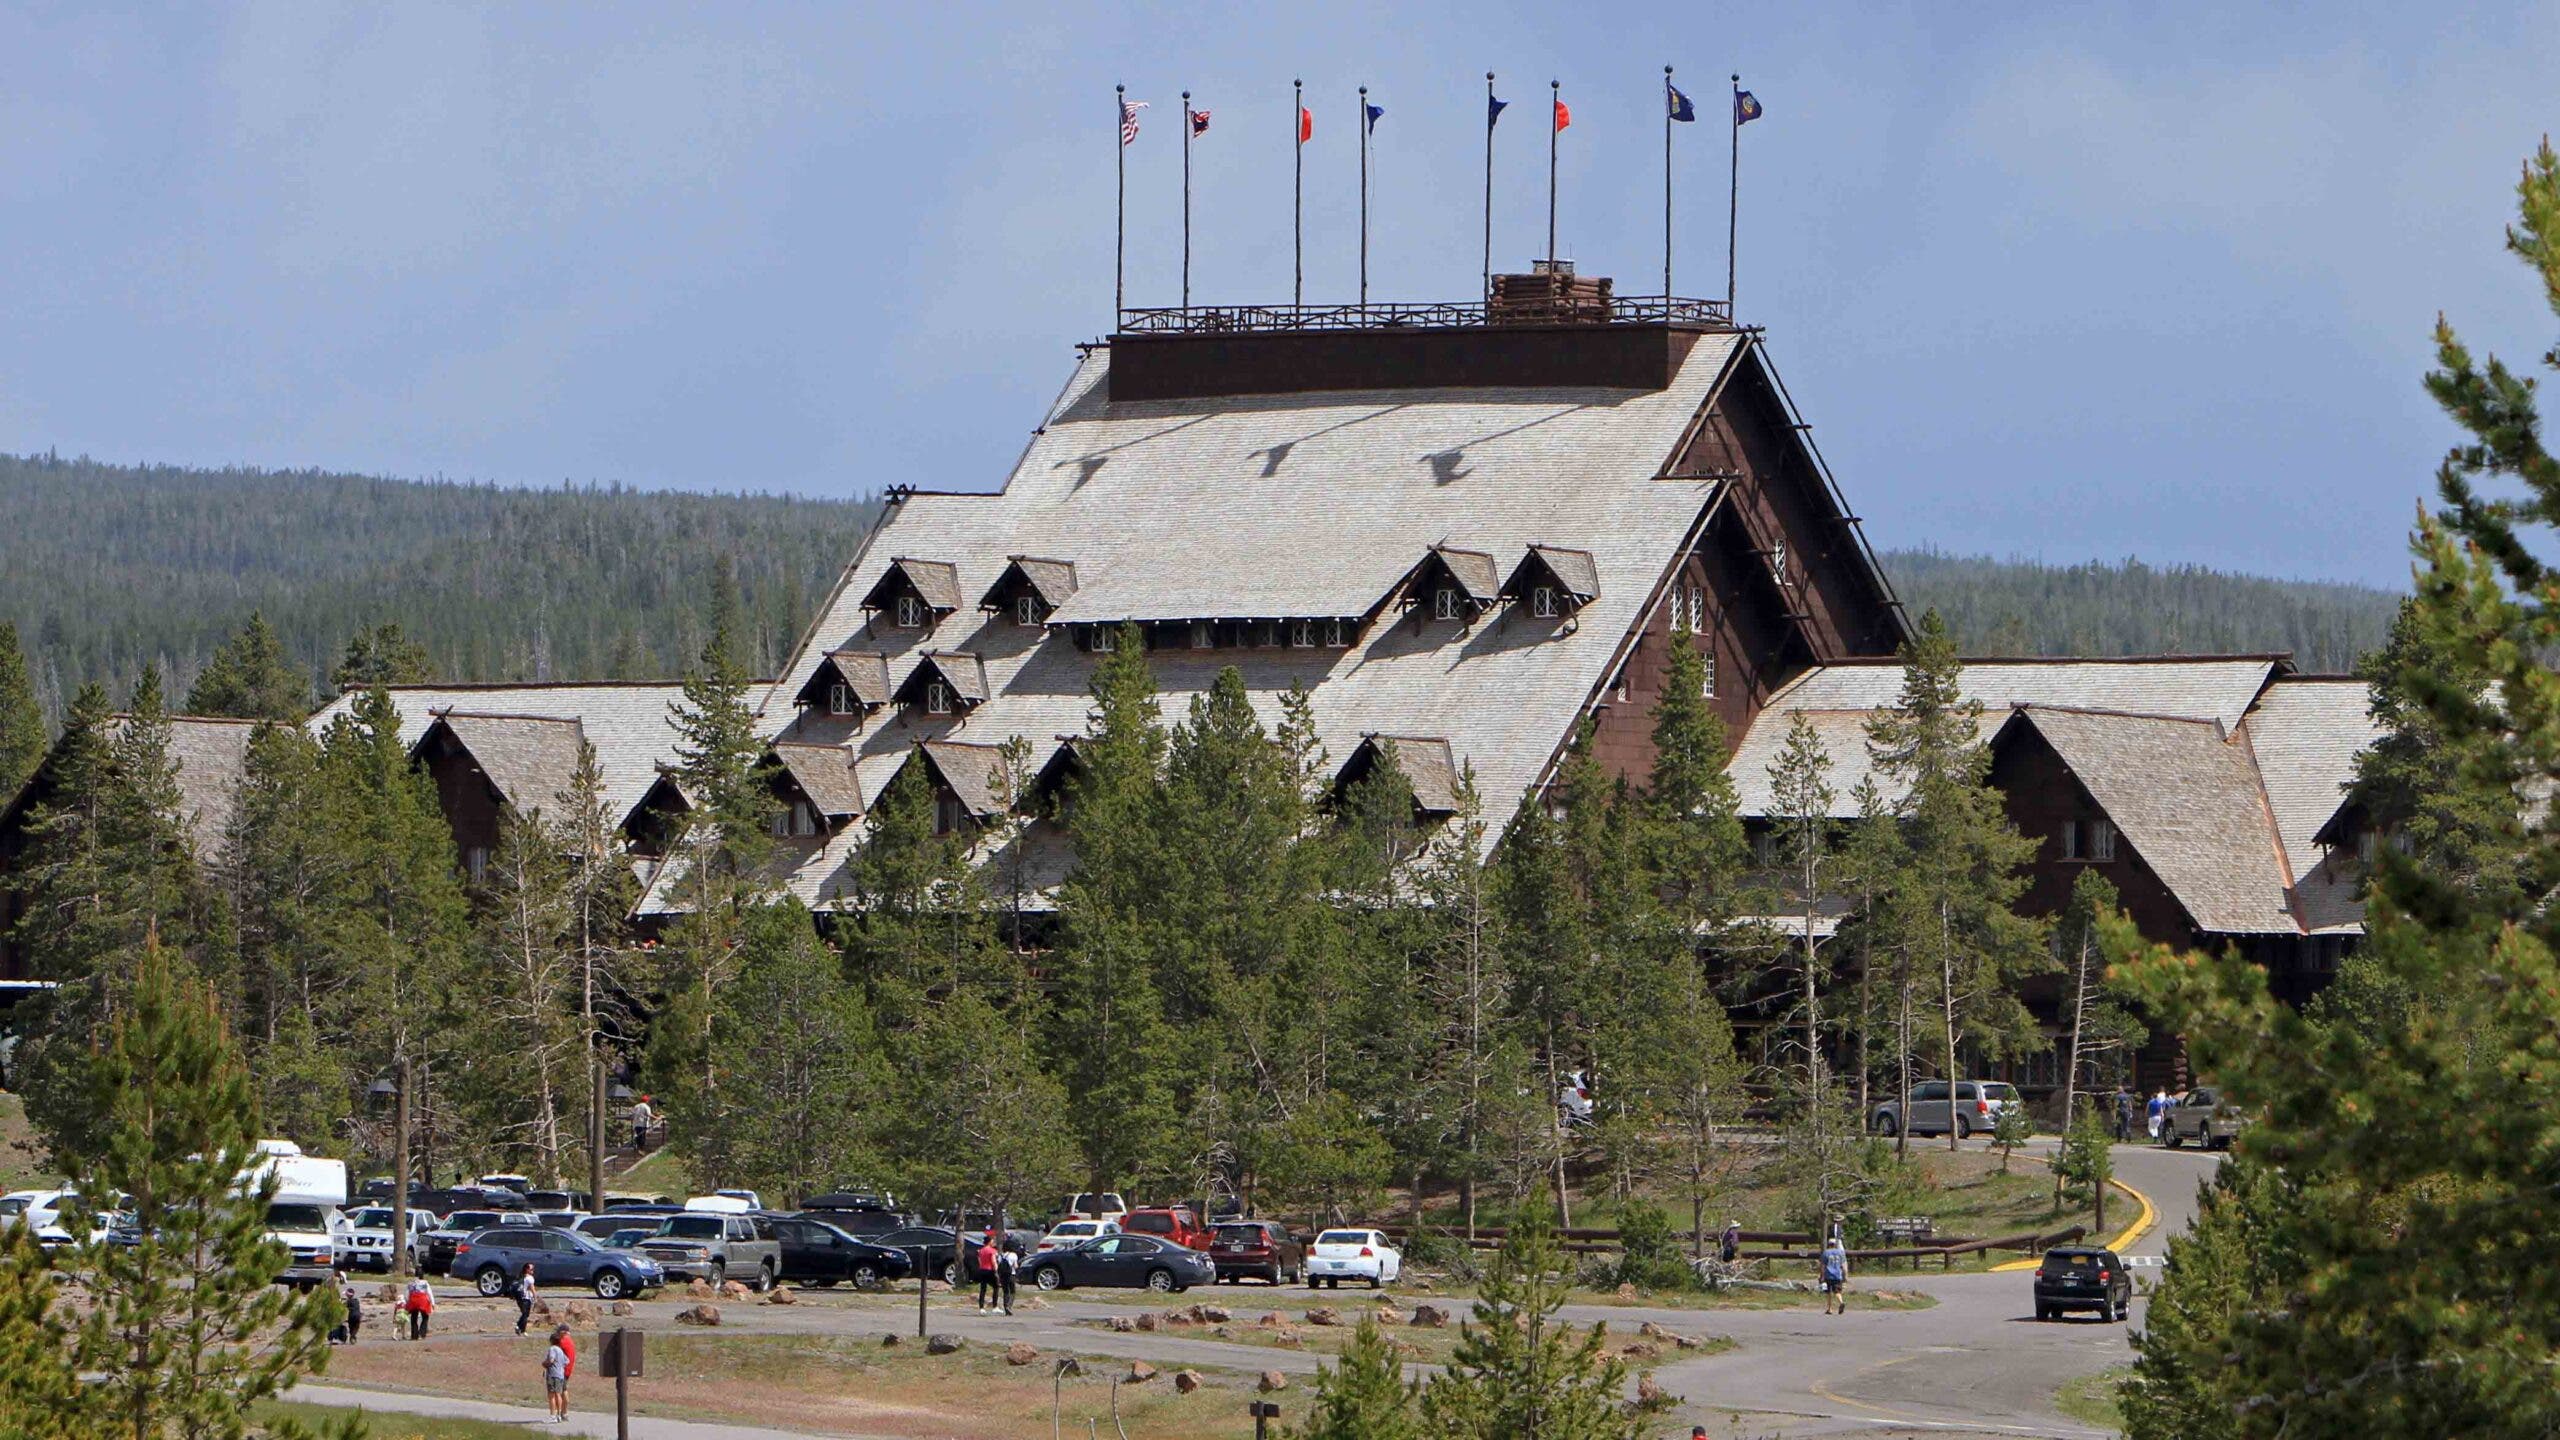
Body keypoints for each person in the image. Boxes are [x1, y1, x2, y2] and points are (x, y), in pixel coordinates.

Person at [543, 1325, 572, 1423]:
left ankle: (553, 1415)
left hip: (553, 1374)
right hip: (560, 1374)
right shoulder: (560, 1350)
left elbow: (551, 1360)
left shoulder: (553, 1349)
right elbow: (567, 1361)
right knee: (559, 1394)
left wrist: (545, 1364)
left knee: (551, 1395)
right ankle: (560, 1414)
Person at [1819, 1235, 1850, 1316]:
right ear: (1835, 1245)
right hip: (1838, 1275)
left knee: (1828, 1292)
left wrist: (1822, 1276)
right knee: (1837, 1291)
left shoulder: (1826, 1253)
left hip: (1828, 1275)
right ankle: (1841, 1302)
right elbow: (1844, 1266)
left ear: (1829, 1244)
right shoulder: (1840, 1253)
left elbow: (1823, 1266)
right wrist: (1845, 1276)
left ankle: (1830, 1309)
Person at [975, 1232, 1002, 1313]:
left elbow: (979, 1261)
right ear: (989, 1242)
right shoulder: (992, 1250)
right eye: (992, 1241)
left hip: (982, 1270)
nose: (993, 1242)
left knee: (983, 1289)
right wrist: (996, 1270)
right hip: (990, 1270)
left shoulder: (981, 1251)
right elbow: (993, 1261)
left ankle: (981, 1307)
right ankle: (995, 1306)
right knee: (996, 1287)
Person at [403, 1276, 434, 1340]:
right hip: (423, 1301)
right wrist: (433, 1303)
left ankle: (414, 1335)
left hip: (413, 1301)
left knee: (414, 1317)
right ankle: (421, 1334)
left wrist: (408, 1302)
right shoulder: (425, 1283)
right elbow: (429, 1293)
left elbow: (406, 1295)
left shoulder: (410, 1283)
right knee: (425, 1317)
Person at [511, 1262, 538, 1335]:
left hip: (519, 1298)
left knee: (525, 1314)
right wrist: (535, 1298)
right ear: (527, 1269)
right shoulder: (530, 1278)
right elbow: (532, 1289)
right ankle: (519, 1327)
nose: (533, 1270)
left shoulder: (521, 1277)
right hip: (526, 1298)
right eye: (531, 1269)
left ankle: (521, 1329)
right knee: (525, 1314)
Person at [997, 1241, 1019, 1316]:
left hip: (1003, 1276)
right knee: (1012, 1291)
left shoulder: (1001, 1255)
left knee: (1006, 1291)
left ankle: (1005, 1306)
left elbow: (999, 1265)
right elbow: (1015, 1266)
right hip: (1011, 1274)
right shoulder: (1013, 1255)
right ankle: (1009, 1306)